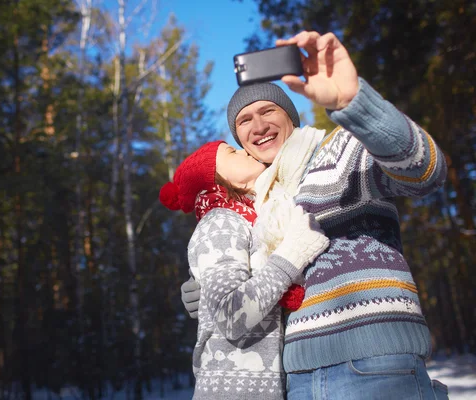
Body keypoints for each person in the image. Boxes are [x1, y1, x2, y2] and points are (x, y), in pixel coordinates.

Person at [180, 31, 449, 400]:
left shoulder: (339, 150)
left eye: (267, 110)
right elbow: (255, 295)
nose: (257, 126)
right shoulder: (257, 207)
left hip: (374, 362)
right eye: (244, 121)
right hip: (295, 379)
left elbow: (425, 171)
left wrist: (355, 103)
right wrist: (211, 290)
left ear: (289, 116)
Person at [159, 139, 330, 399]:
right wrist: (293, 254)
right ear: (218, 180)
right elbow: (232, 317)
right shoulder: (220, 222)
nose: (244, 151)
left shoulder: (253, 222)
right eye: (232, 151)